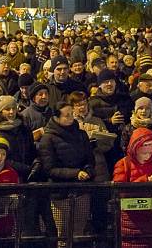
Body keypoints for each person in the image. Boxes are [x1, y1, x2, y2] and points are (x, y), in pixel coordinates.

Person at [38, 101, 95, 243]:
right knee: (63, 234)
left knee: (79, 232)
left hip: (81, 190)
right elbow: (49, 169)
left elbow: (90, 158)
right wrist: (75, 173)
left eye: (72, 114)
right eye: (67, 115)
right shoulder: (48, 138)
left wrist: (88, 170)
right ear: (57, 118)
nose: (71, 118)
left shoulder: (81, 134)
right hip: (60, 193)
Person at [112, 128, 152, 248]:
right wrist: (145, 180)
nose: (148, 156)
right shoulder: (123, 164)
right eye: (144, 153)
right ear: (135, 150)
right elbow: (119, 190)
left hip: (151, 219)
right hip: (130, 219)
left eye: (150, 153)